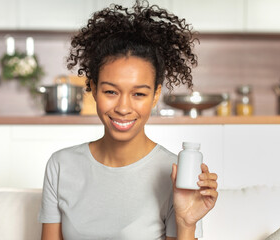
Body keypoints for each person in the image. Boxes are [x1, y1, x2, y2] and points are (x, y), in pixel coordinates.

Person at [39, 1, 218, 239]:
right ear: (93, 89)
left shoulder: (177, 174)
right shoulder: (61, 166)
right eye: (111, 92)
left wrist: (186, 224)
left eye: (139, 94)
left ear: (155, 95)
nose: (123, 108)